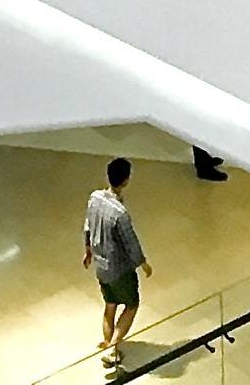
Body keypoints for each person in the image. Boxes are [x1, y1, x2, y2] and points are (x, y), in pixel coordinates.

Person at [84, 155, 149, 375]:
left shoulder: (94, 198)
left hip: (100, 267)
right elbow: (130, 242)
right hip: (119, 269)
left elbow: (87, 226)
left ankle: (107, 341)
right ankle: (112, 347)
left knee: (110, 305)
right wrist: (143, 263)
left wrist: (88, 251)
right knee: (131, 305)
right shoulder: (120, 214)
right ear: (126, 180)